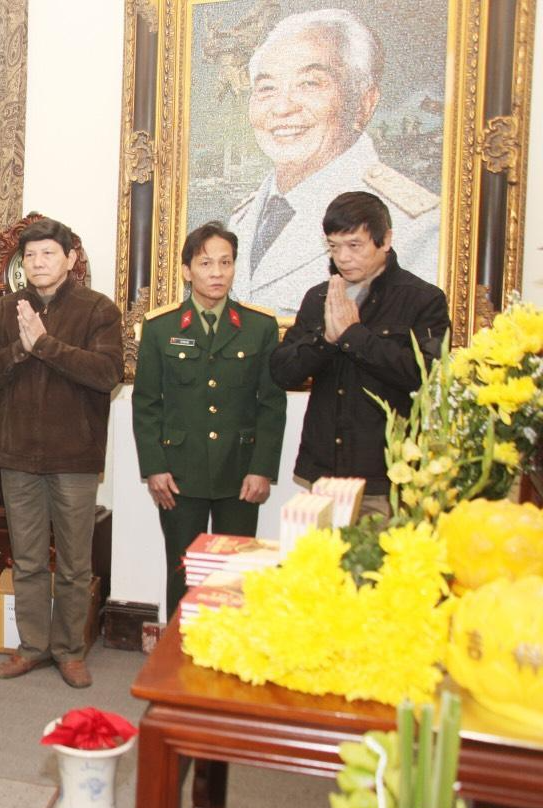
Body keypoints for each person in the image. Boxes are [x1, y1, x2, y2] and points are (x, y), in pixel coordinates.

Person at [0, 217, 124, 689]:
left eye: (48, 253)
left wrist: (45, 345)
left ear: (70, 259)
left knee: (75, 564)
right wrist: (21, 348)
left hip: (75, 457)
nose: (38, 262)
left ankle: (70, 651)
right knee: (28, 560)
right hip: (18, 457)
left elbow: (108, 374)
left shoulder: (98, 309)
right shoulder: (6, 310)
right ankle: (32, 647)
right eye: (31, 255)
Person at [228, 8, 439, 315]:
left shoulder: (412, 225)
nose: (282, 108)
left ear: (364, 103)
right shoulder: (244, 217)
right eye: (267, 88)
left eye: (309, 84)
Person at [133, 222, 287, 620]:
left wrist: (262, 468)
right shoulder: (161, 327)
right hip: (179, 474)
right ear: (187, 271)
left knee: (233, 576)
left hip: (240, 473)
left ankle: (229, 651)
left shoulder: (259, 327)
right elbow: (146, 404)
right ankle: (182, 651)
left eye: (225, 262)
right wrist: (154, 467)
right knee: (184, 572)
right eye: (205, 263)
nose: (217, 272)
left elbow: (271, 404)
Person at [270, 191, 449, 517]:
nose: (343, 257)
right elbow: (282, 372)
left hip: (386, 479)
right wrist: (326, 340)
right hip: (323, 473)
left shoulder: (423, 300)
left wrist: (354, 336)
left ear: (385, 240)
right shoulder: (318, 297)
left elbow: (425, 377)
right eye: (334, 246)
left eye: (354, 245)